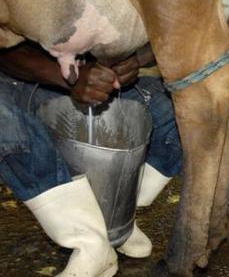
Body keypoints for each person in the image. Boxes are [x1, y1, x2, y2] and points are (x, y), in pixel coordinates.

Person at [0, 41, 182, 276]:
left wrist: (135, 59)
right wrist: (67, 77)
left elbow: (168, 32)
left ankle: (116, 222)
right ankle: (90, 243)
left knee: (191, 105)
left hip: (98, 79)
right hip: (27, 80)